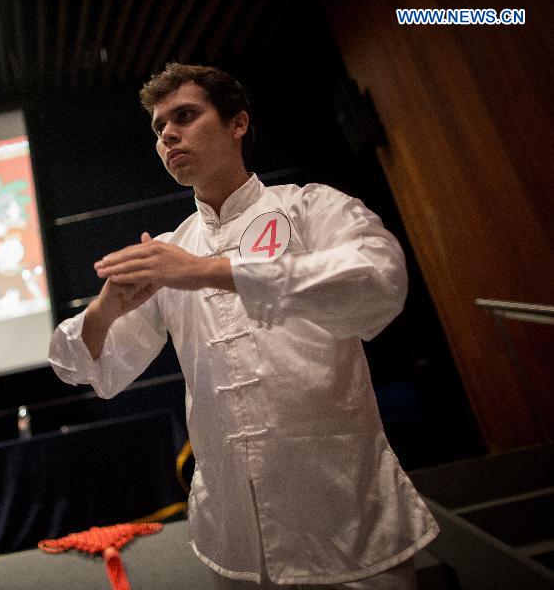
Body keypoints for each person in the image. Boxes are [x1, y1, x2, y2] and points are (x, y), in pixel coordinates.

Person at [48, 63, 438, 589]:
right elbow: (81, 367)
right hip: (234, 534)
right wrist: (104, 310)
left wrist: (210, 271)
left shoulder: (307, 207)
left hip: (345, 506)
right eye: (159, 127)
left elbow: (380, 281)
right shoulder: (168, 250)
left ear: (237, 124)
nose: (167, 134)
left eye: (184, 116)